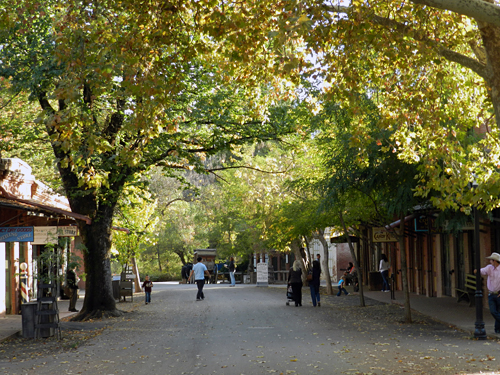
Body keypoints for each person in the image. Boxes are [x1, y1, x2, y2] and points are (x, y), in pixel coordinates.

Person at [479, 252, 500, 333]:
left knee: (498, 312)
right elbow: (482, 271)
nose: (490, 261)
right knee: (493, 311)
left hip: (498, 293)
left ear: (494, 260)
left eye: (491, 260)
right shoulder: (489, 268)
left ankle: (497, 329)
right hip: (491, 293)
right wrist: (477, 270)